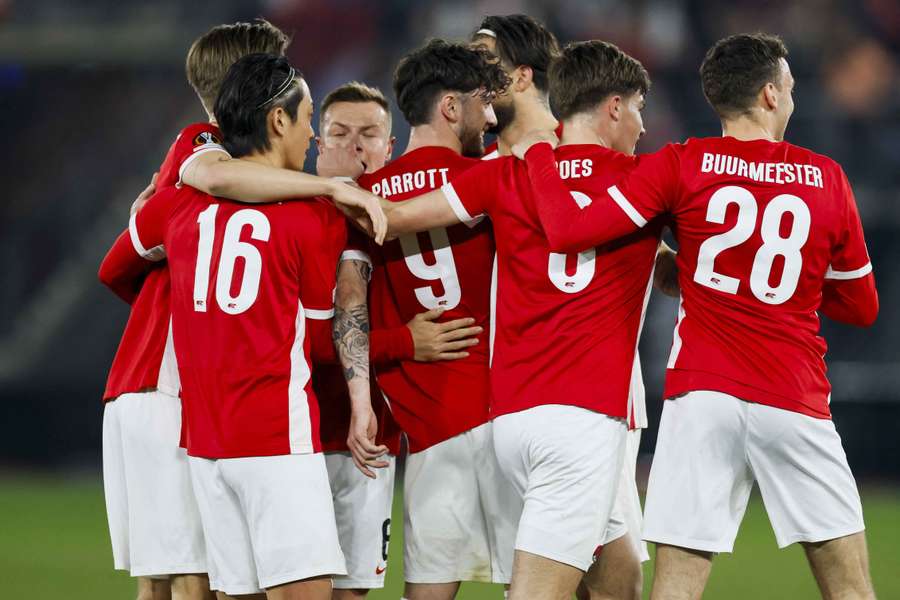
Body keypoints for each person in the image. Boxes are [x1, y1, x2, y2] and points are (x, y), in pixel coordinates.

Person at [519, 33, 878, 600]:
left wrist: (540, 152)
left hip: (701, 394)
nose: (791, 97)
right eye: (788, 87)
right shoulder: (826, 177)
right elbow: (862, 306)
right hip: (794, 393)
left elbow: (570, 230)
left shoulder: (680, 163)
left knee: (678, 589)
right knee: (850, 589)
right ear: (768, 95)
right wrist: (795, 290)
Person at [372, 38, 658, 600]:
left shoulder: (503, 174)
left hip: (506, 416)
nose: (644, 125)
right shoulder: (648, 178)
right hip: (582, 417)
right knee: (544, 588)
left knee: (616, 567)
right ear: (614, 107)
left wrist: (315, 188)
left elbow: (393, 216)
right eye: (640, 109)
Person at [123, 53, 387, 599]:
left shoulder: (178, 204)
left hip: (206, 447)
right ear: (278, 121)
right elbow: (319, 339)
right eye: (309, 116)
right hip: (276, 441)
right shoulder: (312, 217)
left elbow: (120, 261)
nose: (313, 133)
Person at [473, 16, 657, 599]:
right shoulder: (495, 166)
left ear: (522, 76)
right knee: (550, 568)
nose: (474, 79)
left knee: (613, 561)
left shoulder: (528, 166)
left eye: (486, 63)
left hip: (590, 395)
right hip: (530, 395)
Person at [340, 39, 517, 600]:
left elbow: (349, 305)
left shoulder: (363, 198)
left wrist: (368, 393)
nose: (489, 117)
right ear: (449, 107)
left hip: (433, 424)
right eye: (481, 103)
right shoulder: (494, 177)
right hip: (507, 412)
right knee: (552, 586)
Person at [311, 81, 482, 599]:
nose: (355, 146)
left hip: (372, 444)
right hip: (298, 438)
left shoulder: (377, 215)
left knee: (353, 590)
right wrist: (403, 344)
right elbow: (302, 341)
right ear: (318, 144)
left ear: (391, 146)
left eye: (369, 134)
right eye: (339, 134)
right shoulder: (295, 215)